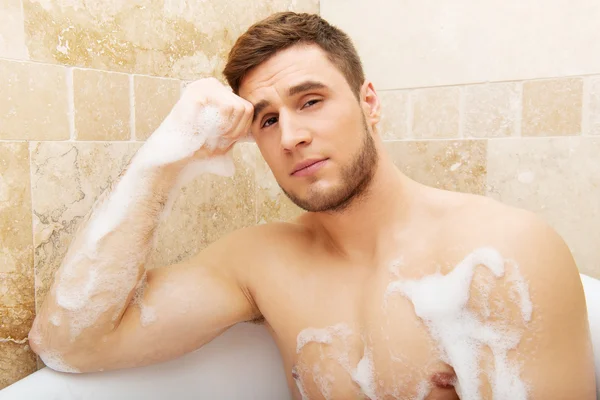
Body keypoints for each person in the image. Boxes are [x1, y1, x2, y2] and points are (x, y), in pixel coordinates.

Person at [28, 12, 596, 400]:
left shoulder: (500, 254)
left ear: (369, 102)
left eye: (312, 100)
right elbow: (72, 343)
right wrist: (164, 159)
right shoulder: (262, 261)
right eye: (268, 119)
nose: (291, 135)